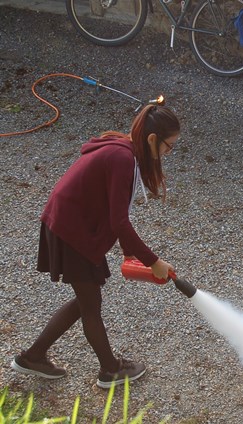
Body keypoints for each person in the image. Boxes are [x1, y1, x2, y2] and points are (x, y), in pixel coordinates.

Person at [10, 104, 180, 389]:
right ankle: (110, 370)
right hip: (71, 230)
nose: (168, 153)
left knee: (87, 300)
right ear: (152, 139)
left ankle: (33, 356)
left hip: (73, 226)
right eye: (169, 146)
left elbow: (115, 215)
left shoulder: (127, 150)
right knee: (91, 304)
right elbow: (119, 222)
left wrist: (129, 252)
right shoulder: (122, 158)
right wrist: (153, 261)